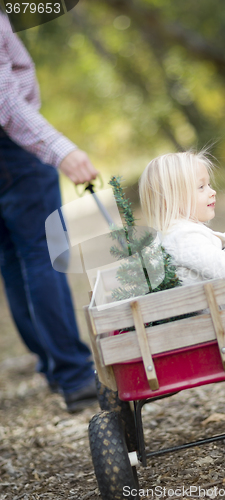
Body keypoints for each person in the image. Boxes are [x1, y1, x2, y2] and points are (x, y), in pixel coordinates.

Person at [0, 10, 99, 412]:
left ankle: (53, 364)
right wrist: (63, 150)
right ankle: (75, 375)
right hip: (13, 149)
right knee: (42, 255)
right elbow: (5, 101)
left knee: (11, 258)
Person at [139, 151, 225, 284]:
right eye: (201, 187)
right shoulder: (183, 236)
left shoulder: (179, 234)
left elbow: (219, 242)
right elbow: (223, 268)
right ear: (170, 201)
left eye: (209, 185)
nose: (212, 192)